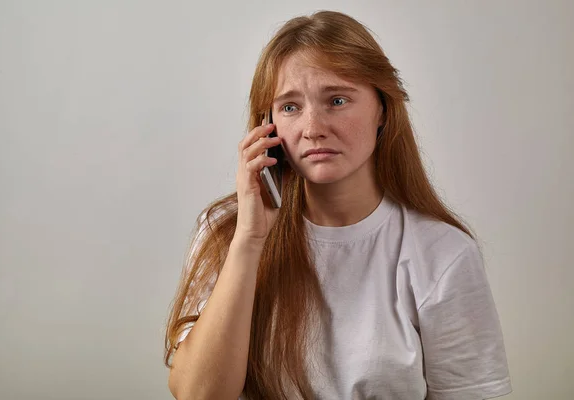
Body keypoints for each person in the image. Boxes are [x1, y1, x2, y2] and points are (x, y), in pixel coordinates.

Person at [164, 10, 512, 400]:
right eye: (290, 107)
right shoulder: (226, 231)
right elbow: (199, 395)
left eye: (337, 100)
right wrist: (248, 240)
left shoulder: (442, 253)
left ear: (382, 109)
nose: (313, 128)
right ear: (268, 125)